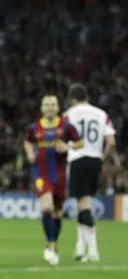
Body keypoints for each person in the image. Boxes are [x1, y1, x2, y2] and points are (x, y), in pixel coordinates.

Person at [23, 94, 83, 266]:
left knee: (57, 212)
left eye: (53, 105)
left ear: (57, 108)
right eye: (47, 105)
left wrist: (67, 146)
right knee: (47, 206)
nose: (49, 107)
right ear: (42, 108)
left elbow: (80, 143)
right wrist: (29, 152)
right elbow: (28, 142)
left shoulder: (66, 126)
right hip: (41, 173)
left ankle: (53, 243)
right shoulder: (34, 127)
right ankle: (49, 243)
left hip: (60, 174)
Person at [63, 83, 117, 262]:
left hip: (78, 159)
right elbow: (111, 142)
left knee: (84, 204)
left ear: (72, 99)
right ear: (87, 96)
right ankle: (80, 247)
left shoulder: (69, 115)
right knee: (83, 203)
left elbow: (61, 139)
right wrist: (102, 157)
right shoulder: (101, 114)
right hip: (95, 160)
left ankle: (93, 250)